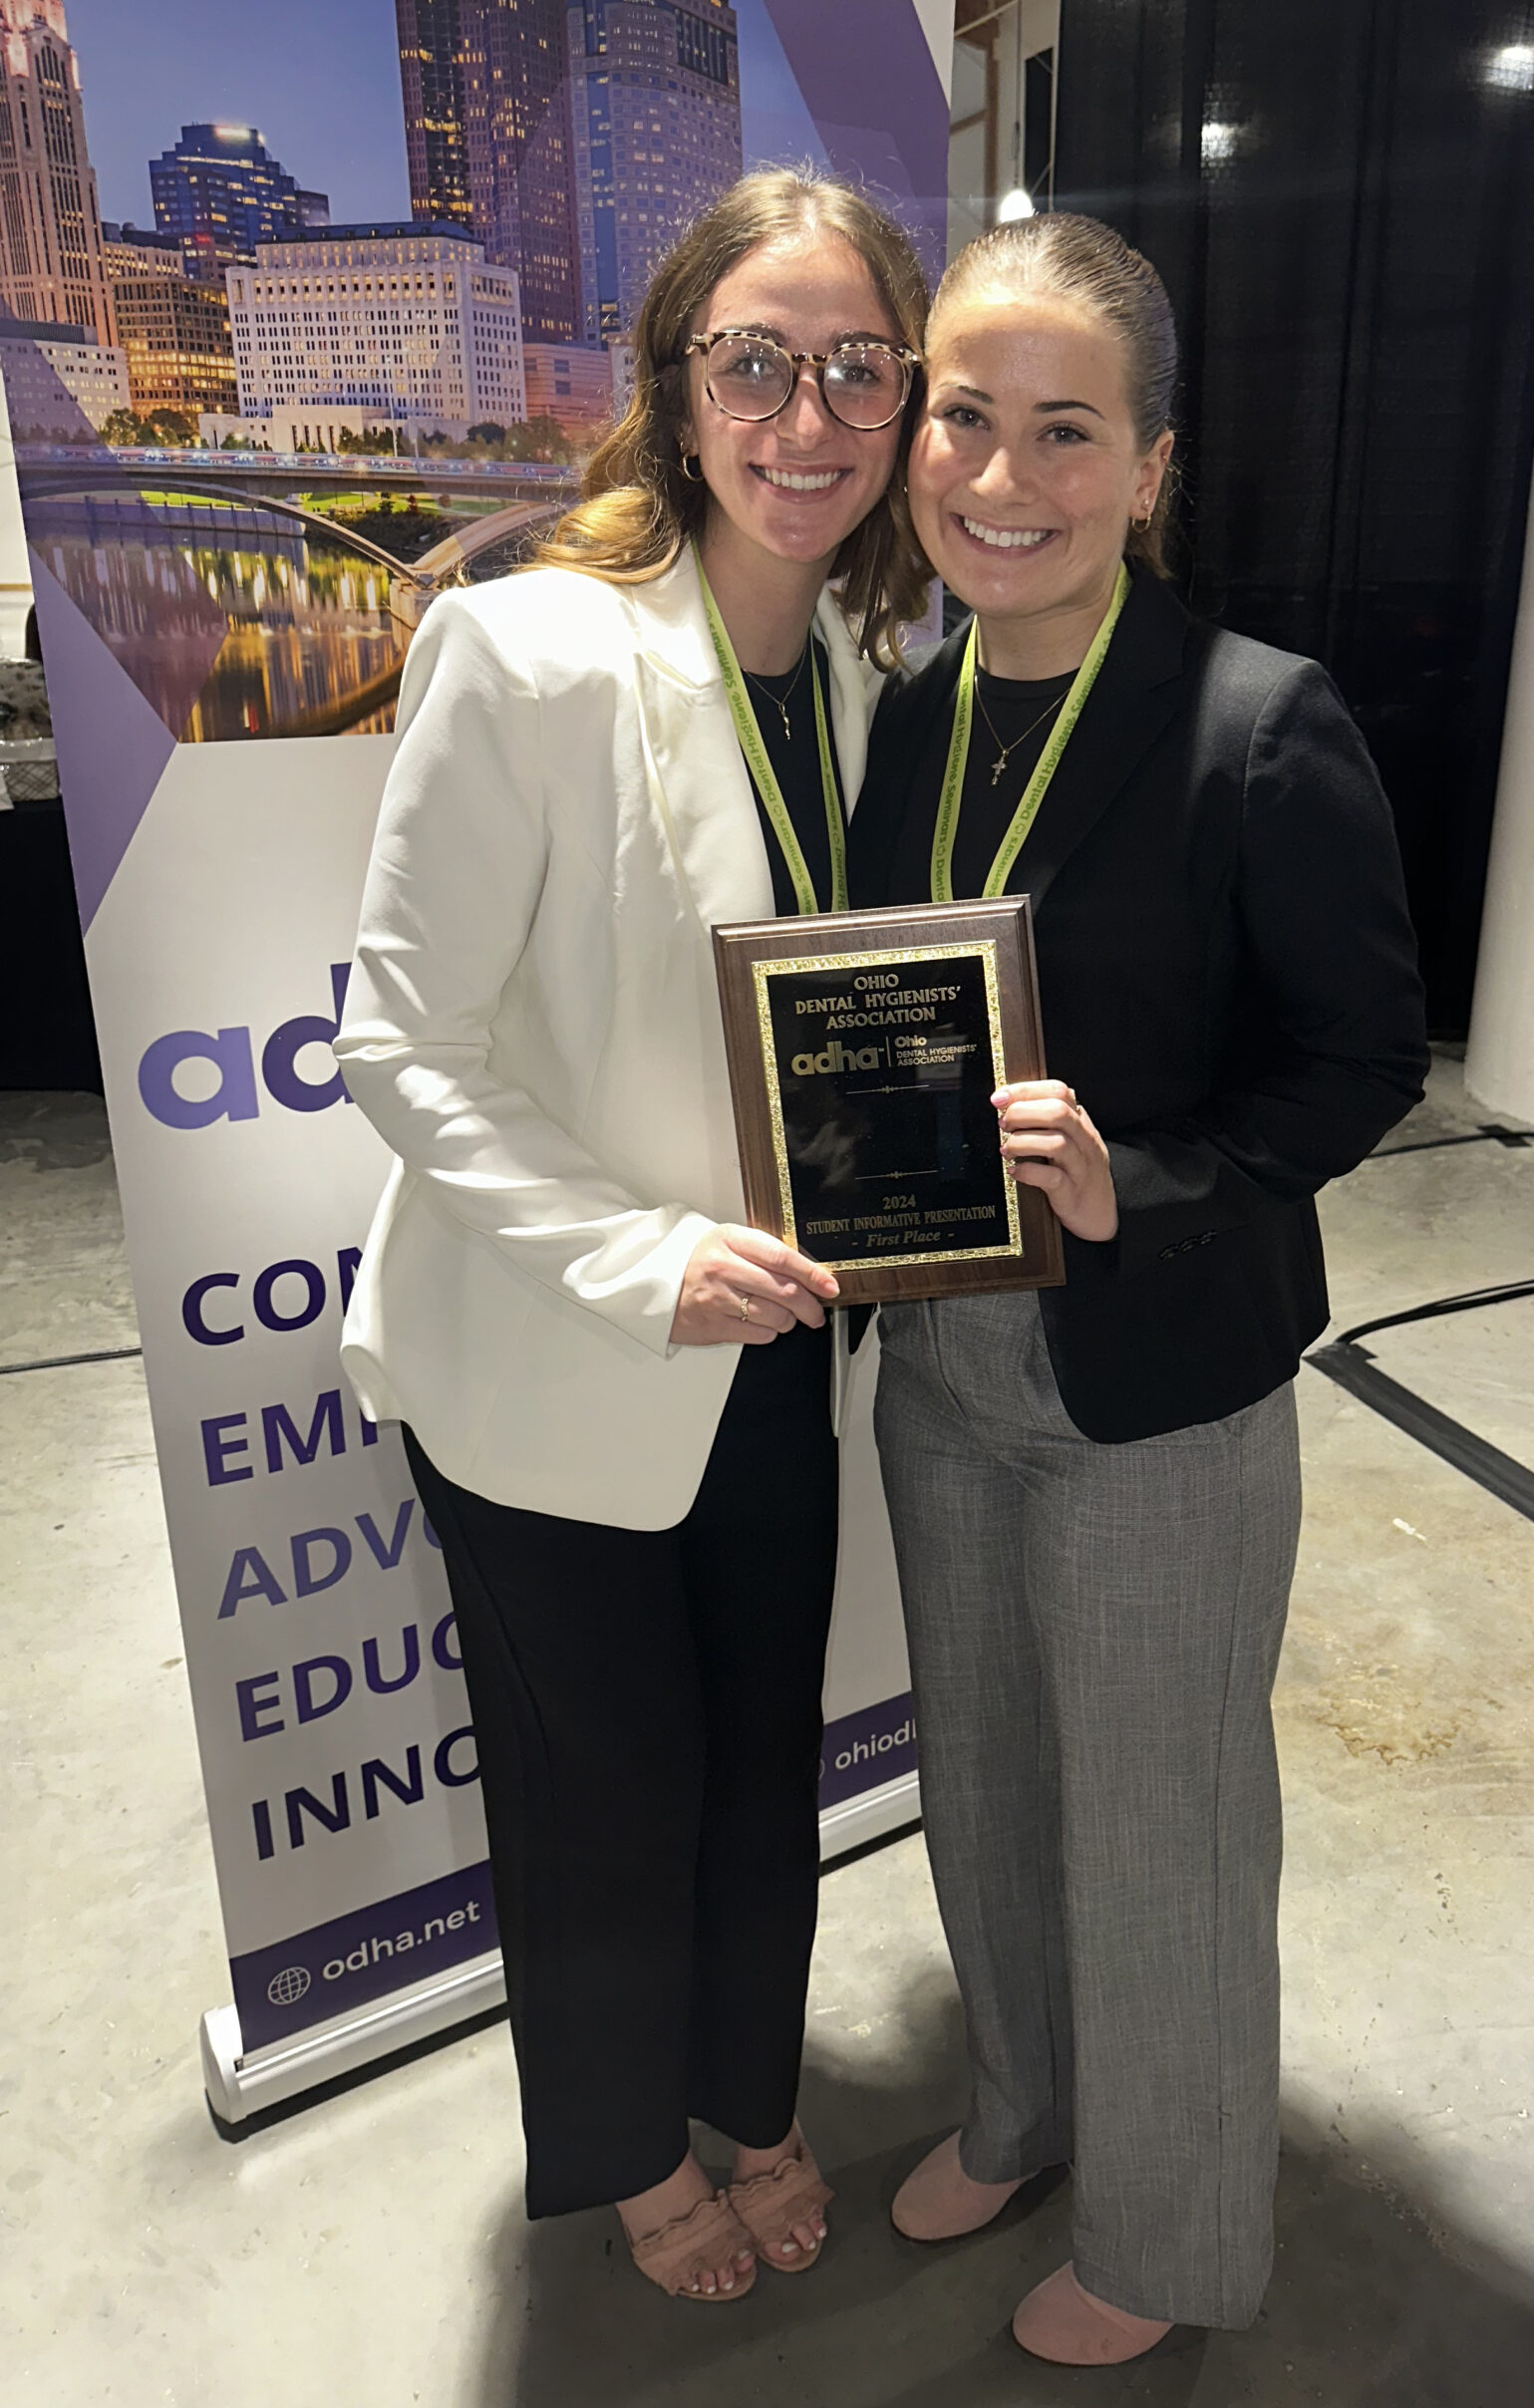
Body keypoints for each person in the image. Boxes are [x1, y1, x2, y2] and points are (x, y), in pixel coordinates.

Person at [333, 170, 929, 2303]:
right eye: (756, 361)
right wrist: (631, 1257)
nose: (809, 409)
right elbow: (392, 1038)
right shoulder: (527, 648)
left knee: (764, 1757)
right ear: (679, 395)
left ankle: (751, 2092)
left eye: (859, 364)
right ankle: (616, 2149)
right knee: (608, 1794)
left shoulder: (881, 663)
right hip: (551, 1349)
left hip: (783, 1335)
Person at [848, 213, 1427, 2364]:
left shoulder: (1258, 723)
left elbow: (1365, 1055)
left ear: (1154, 461)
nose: (1003, 476)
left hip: (1160, 1369)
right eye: (965, 418)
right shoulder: (906, 723)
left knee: (1165, 1821)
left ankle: (1178, 2239)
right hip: (939, 1348)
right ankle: (1021, 2100)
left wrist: (1148, 1178)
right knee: (984, 1778)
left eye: (1065, 431)